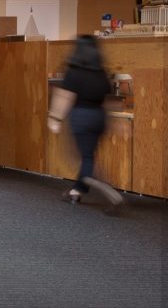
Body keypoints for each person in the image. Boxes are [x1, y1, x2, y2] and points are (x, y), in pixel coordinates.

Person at [48, 35, 124, 211]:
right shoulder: (101, 72)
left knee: (78, 158)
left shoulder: (74, 72)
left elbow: (65, 97)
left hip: (81, 116)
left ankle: (109, 192)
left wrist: (55, 118)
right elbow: (109, 98)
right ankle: (77, 190)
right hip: (99, 117)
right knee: (87, 156)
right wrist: (114, 121)